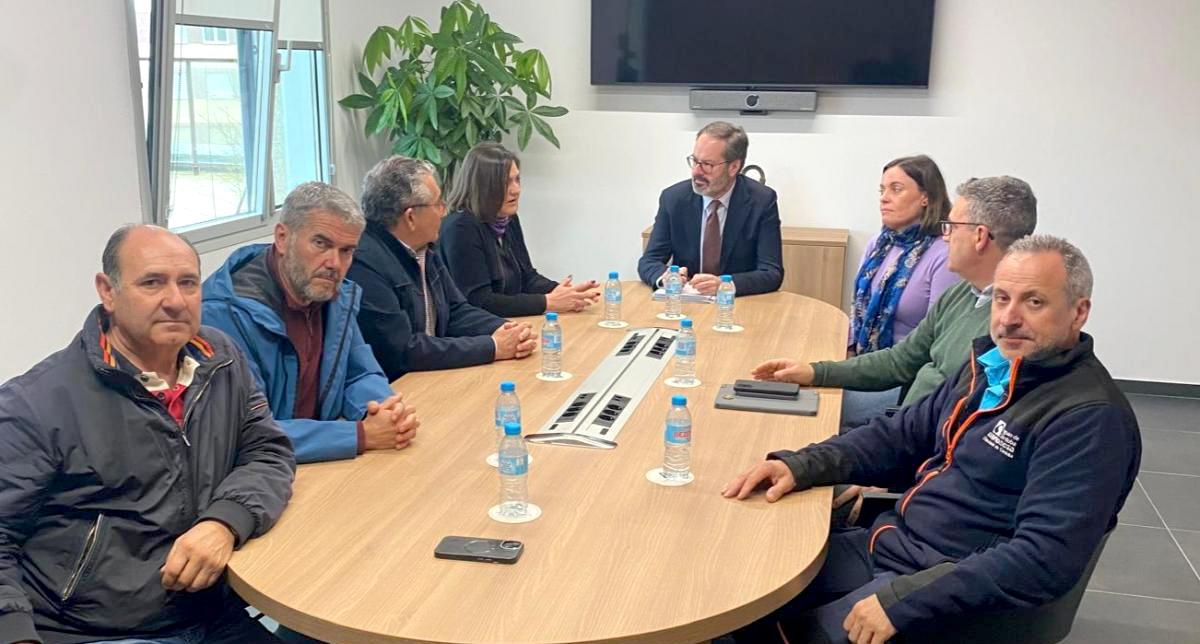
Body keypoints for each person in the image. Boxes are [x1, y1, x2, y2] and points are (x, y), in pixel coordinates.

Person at [723, 235, 1141, 644]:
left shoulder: (1088, 419)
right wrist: (799, 464)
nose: (1009, 318)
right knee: (751, 581)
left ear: (1078, 312)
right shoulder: (991, 367)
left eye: (1034, 302)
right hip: (896, 545)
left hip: (945, 590)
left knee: (777, 627)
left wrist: (905, 600)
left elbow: (1043, 559)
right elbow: (898, 436)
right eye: (1001, 299)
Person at [0, 225, 295, 644]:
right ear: (108, 291)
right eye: (152, 283)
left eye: (188, 283)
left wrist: (225, 522)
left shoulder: (221, 359)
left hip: (211, 611)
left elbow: (267, 451)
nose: (175, 301)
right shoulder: (36, 402)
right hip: (94, 631)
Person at [753, 176, 1038, 429]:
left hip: (915, 447)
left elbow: (962, 428)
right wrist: (815, 371)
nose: (946, 236)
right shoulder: (961, 294)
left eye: (951, 226)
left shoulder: (1010, 327)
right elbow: (900, 360)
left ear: (979, 236)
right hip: (903, 429)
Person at [202, 182, 419, 464]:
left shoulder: (335, 297)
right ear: (282, 238)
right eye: (321, 244)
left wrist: (383, 412)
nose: (334, 264)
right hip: (260, 472)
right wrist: (359, 435)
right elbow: (246, 430)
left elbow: (359, 373)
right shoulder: (222, 315)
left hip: (322, 460)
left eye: (346, 251)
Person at [349, 156, 537, 379]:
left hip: (433, 373)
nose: (444, 212)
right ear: (411, 217)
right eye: (438, 204)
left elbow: (456, 311)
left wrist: (505, 329)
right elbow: (403, 350)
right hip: (399, 387)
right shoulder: (364, 264)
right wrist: (493, 346)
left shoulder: (424, 247)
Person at [440, 141, 600, 317]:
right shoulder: (460, 228)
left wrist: (566, 293)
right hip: (480, 329)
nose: (516, 190)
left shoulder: (508, 219)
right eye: (506, 182)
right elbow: (480, 301)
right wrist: (547, 302)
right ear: (483, 185)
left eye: (517, 179)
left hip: (510, 323)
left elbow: (527, 278)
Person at [637, 121, 784, 296]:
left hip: (737, 303)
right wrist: (665, 278)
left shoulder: (761, 201)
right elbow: (649, 261)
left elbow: (771, 273)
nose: (696, 172)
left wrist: (725, 285)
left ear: (733, 167)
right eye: (695, 161)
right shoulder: (673, 199)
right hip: (688, 301)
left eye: (707, 164)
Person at [849, 155, 957, 355]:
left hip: (907, 366)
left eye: (896, 189)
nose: (884, 198)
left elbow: (936, 337)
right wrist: (848, 354)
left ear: (926, 197)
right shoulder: (879, 244)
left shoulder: (945, 254)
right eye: (882, 190)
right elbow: (857, 311)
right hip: (862, 359)